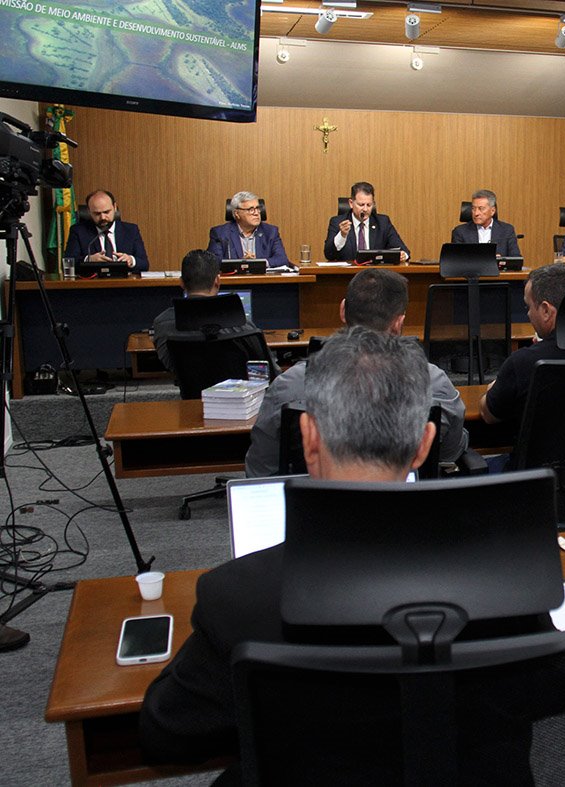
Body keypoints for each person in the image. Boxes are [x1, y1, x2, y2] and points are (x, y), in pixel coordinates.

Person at [139, 328, 437, 775]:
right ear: (424, 445)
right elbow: (563, 681)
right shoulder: (499, 577)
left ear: (309, 439)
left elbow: (164, 733)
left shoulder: (236, 595)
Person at [245, 268, 468, 476]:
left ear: (343, 310)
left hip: (312, 508)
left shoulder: (290, 385)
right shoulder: (434, 383)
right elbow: (449, 454)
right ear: (399, 323)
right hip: (407, 508)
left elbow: (260, 468)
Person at [479, 262, 565, 429]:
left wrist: (494, 387)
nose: (528, 314)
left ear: (546, 311)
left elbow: (488, 414)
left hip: (544, 455)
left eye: (528, 306)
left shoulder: (523, 362)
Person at [151, 249, 266, 372]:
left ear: (181, 282)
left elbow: (171, 365)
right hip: (236, 390)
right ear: (217, 281)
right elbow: (265, 367)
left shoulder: (162, 324)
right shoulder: (243, 325)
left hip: (190, 390)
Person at [323, 181, 410, 262]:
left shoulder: (382, 222)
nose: (365, 209)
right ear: (351, 203)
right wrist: (342, 235)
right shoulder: (338, 222)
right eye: (361, 205)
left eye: (369, 205)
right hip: (348, 276)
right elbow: (329, 255)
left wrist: (403, 255)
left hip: (375, 274)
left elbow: (404, 250)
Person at [63, 190, 149, 270]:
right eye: (97, 214)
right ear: (89, 211)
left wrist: (131, 260)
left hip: (124, 282)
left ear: (115, 207)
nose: (103, 217)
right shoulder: (78, 231)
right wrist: (88, 259)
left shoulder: (131, 230)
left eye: (106, 212)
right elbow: (68, 262)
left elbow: (144, 264)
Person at [208, 191, 290, 268]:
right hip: (234, 281)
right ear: (237, 213)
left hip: (263, 281)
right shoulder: (220, 233)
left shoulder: (271, 232)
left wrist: (258, 263)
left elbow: (282, 259)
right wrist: (242, 263)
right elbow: (213, 262)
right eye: (250, 209)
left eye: (258, 208)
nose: (256, 213)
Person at [450, 189, 521, 258]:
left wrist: (500, 260)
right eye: (473, 208)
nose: (476, 213)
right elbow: (456, 260)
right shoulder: (460, 232)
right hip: (470, 270)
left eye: (481, 208)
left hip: (497, 270)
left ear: (492, 211)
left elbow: (516, 259)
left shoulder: (507, 230)